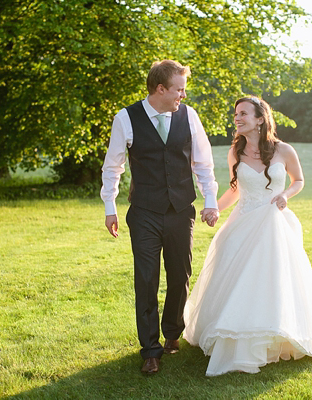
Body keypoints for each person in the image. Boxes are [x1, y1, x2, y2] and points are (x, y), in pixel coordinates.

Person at [183, 96, 312, 376]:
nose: (237, 117)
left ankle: (275, 333)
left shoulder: (284, 151)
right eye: (236, 113)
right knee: (237, 277)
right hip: (243, 222)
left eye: (244, 113)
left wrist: (285, 194)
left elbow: (299, 181)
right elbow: (235, 190)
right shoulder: (236, 151)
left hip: (273, 223)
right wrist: (214, 208)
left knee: (273, 279)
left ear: (260, 119)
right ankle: (235, 332)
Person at [101, 60, 219, 375]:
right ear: (160, 89)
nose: (183, 95)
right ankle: (150, 350)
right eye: (178, 89)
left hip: (181, 211)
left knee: (180, 276)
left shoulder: (189, 116)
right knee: (146, 280)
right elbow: (113, 166)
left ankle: (172, 333)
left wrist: (210, 200)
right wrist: (110, 207)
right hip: (144, 213)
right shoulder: (125, 118)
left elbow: (203, 164)